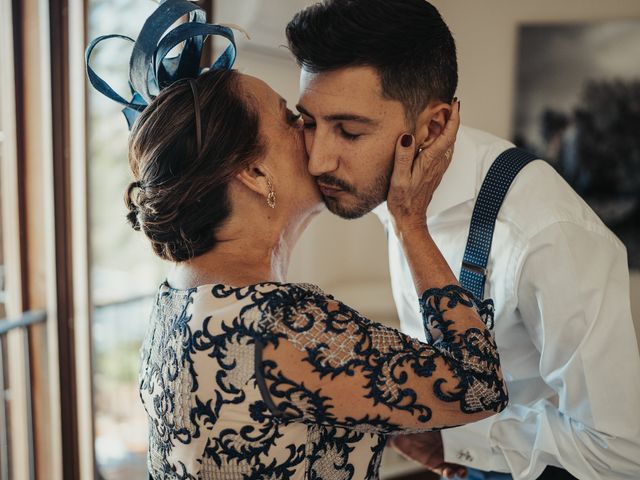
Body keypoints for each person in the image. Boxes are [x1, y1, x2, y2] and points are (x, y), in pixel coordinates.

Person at [86, 3, 509, 477]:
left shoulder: (180, 299)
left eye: (342, 128)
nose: (318, 147)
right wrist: (410, 219)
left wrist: (386, 422)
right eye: (294, 121)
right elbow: (479, 386)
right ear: (253, 171)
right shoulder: (280, 324)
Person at [286, 1, 640, 479]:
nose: (318, 160)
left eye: (348, 131)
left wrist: (459, 444)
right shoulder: (387, 182)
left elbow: (622, 449)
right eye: (308, 123)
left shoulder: (545, 235)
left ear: (432, 128)